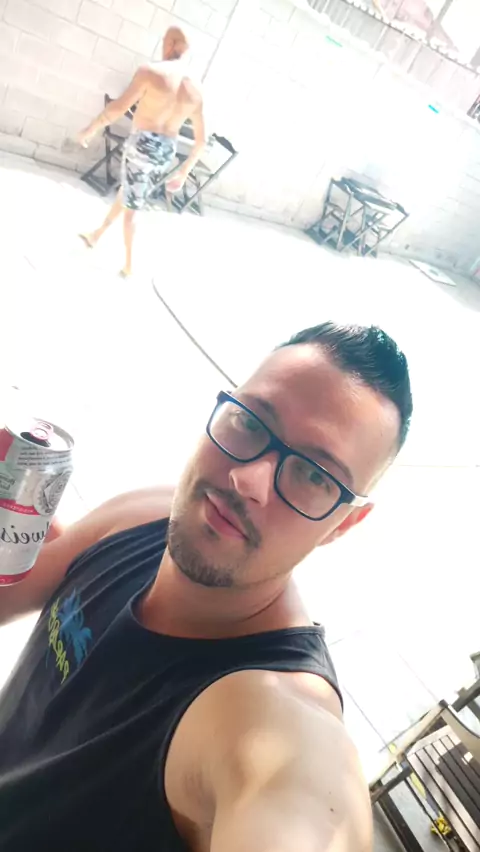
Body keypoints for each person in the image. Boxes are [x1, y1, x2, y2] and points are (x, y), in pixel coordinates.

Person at [0, 322, 413, 852]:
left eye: (314, 475)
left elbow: (302, 800)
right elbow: (11, 589)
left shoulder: (273, 715)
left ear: (343, 523)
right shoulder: (146, 514)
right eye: (251, 422)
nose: (248, 480)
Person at [78, 26, 205, 277]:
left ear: (170, 44)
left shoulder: (152, 72)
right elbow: (200, 141)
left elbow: (118, 108)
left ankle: (129, 266)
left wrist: (91, 129)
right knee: (129, 192)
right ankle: (96, 235)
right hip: (165, 152)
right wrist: (183, 173)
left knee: (131, 208)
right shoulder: (197, 89)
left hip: (143, 147)